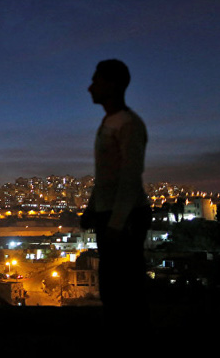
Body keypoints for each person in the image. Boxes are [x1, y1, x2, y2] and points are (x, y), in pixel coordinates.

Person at [80, 59, 152, 337]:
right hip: (111, 215)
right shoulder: (108, 122)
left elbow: (129, 178)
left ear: (113, 85)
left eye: (96, 81)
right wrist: (92, 209)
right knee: (111, 285)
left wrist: (116, 223)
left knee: (126, 286)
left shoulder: (129, 124)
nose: (90, 88)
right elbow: (107, 176)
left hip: (126, 217)